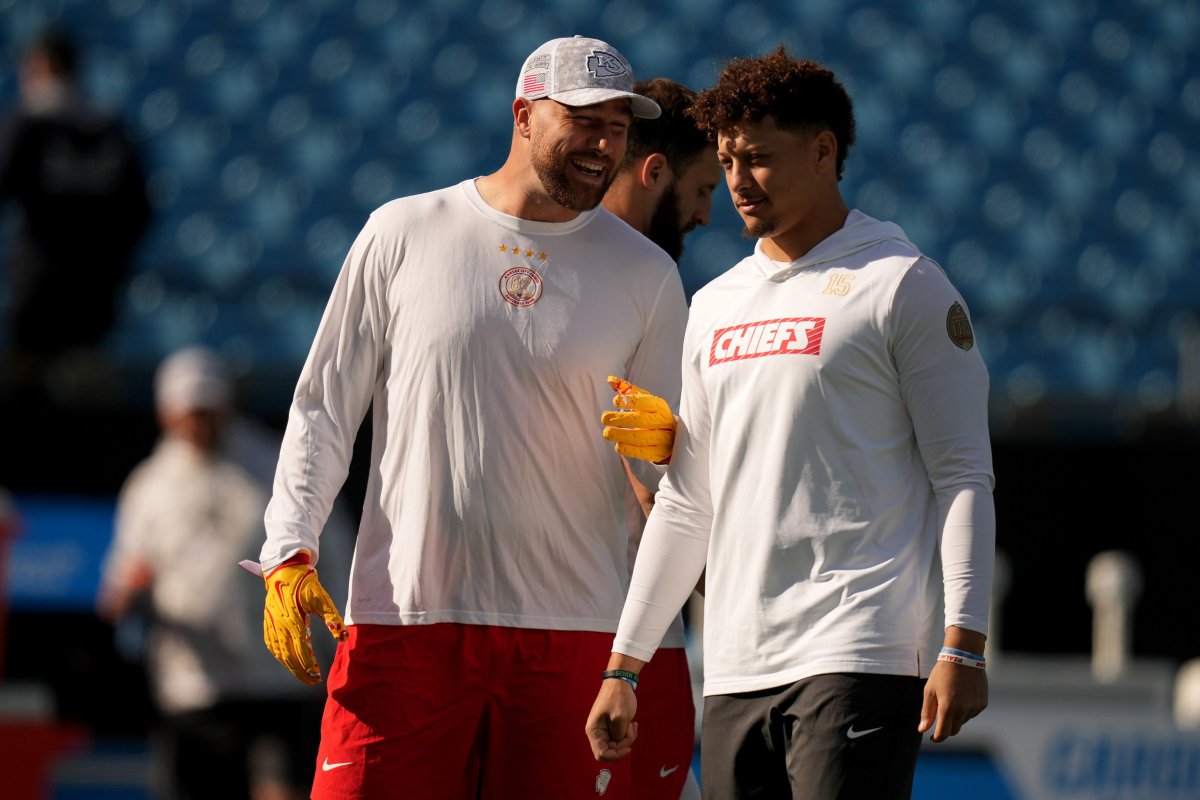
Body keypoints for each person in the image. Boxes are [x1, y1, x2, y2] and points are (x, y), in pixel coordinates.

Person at [256, 36, 688, 799]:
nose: (602, 143)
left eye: (619, 126)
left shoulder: (648, 273)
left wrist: (675, 452)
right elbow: (324, 407)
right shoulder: (403, 232)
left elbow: (672, 482)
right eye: (583, 119)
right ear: (523, 115)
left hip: (576, 629)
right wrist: (289, 549)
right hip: (404, 619)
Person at [587, 47, 996, 799]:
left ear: (823, 151)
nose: (737, 183)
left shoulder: (902, 284)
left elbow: (964, 475)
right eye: (726, 161)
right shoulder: (712, 303)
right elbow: (688, 501)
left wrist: (963, 644)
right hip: (735, 665)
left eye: (760, 159)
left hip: (858, 651)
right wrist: (626, 665)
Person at [97, 346, 350, 800]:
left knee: (283, 790)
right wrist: (126, 592)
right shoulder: (148, 488)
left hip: (281, 676)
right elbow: (121, 580)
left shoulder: (280, 467)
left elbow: (334, 553)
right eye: (190, 412)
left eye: (209, 409)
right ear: (166, 414)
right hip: (194, 684)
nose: (201, 422)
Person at [599, 76, 720, 800]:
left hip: (606, 635)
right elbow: (663, 495)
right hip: (613, 639)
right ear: (655, 173)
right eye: (703, 188)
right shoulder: (660, 286)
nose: (711, 212)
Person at [0, 28, 151, 396]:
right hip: (96, 285)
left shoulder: (29, 126)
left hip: (39, 284)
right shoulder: (109, 129)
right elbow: (141, 210)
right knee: (83, 394)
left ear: (40, 67)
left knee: (26, 385)